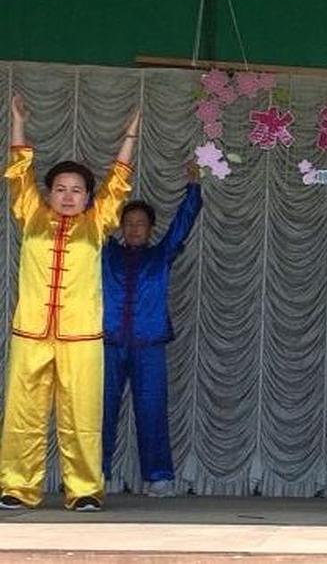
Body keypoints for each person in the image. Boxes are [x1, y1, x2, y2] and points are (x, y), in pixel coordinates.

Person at [0, 94, 138, 512]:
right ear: (49, 193)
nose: (67, 195)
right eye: (60, 189)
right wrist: (18, 122)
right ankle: (17, 487)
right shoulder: (31, 214)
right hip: (31, 332)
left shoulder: (97, 222)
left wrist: (130, 135)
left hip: (81, 336)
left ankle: (84, 490)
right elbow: (19, 172)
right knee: (23, 412)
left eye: (76, 190)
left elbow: (118, 181)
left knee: (82, 415)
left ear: (87, 196)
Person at [102, 160, 203, 497]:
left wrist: (194, 188)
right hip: (109, 341)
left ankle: (159, 477)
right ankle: (93, 474)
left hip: (149, 343)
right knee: (101, 410)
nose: (134, 229)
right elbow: (90, 219)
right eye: (129, 223)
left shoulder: (161, 255)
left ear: (150, 229)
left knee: (152, 409)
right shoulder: (106, 254)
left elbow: (183, 224)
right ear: (120, 226)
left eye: (141, 224)